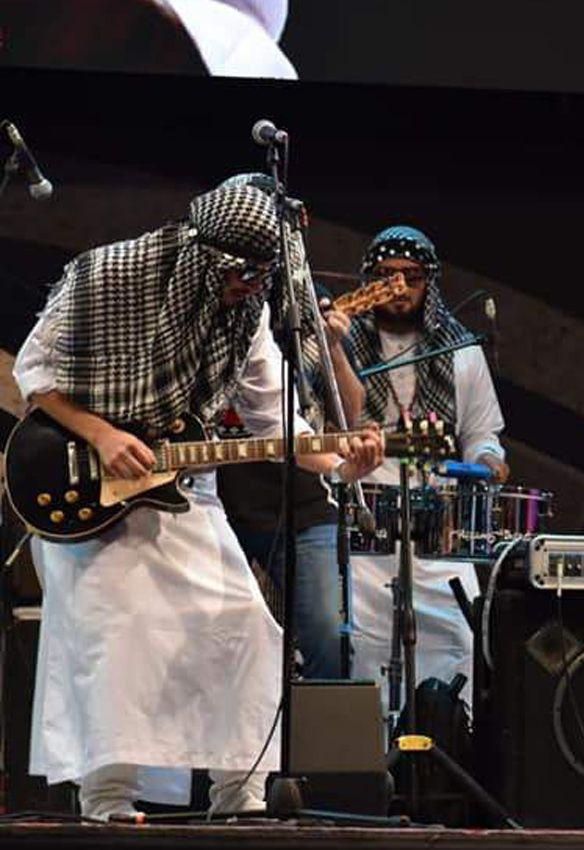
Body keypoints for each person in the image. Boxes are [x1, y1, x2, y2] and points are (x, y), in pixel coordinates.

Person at [12, 183, 384, 821]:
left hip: (182, 491)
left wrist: (341, 461)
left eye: (259, 276)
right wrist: (102, 434)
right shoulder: (108, 275)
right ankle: (106, 803)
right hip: (89, 481)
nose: (248, 286)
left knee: (243, 625)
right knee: (118, 636)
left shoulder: (246, 315)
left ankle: (239, 800)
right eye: (239, 273)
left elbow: (277, 425)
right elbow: (34, 374)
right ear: (204, 256)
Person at [342, 226, 507, 712]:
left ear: (429, 283)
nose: (399, 288)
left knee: (456, 638)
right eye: (386, 276)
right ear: (368, 280)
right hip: (364, 521)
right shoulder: (341, 346)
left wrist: (487, 460)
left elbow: (481, 435)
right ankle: (368, 765)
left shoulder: (462, 352)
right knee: (362, 647)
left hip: (438, 528)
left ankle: (446, 751)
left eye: (411, 277)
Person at [213, 172, 367, 681]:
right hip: (219, 497)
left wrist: (336, 348)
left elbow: (350, 411)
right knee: (220, 638)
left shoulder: (308, 304)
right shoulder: (210, 299)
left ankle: (322, 757)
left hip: (301, 499)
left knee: (328, 635)